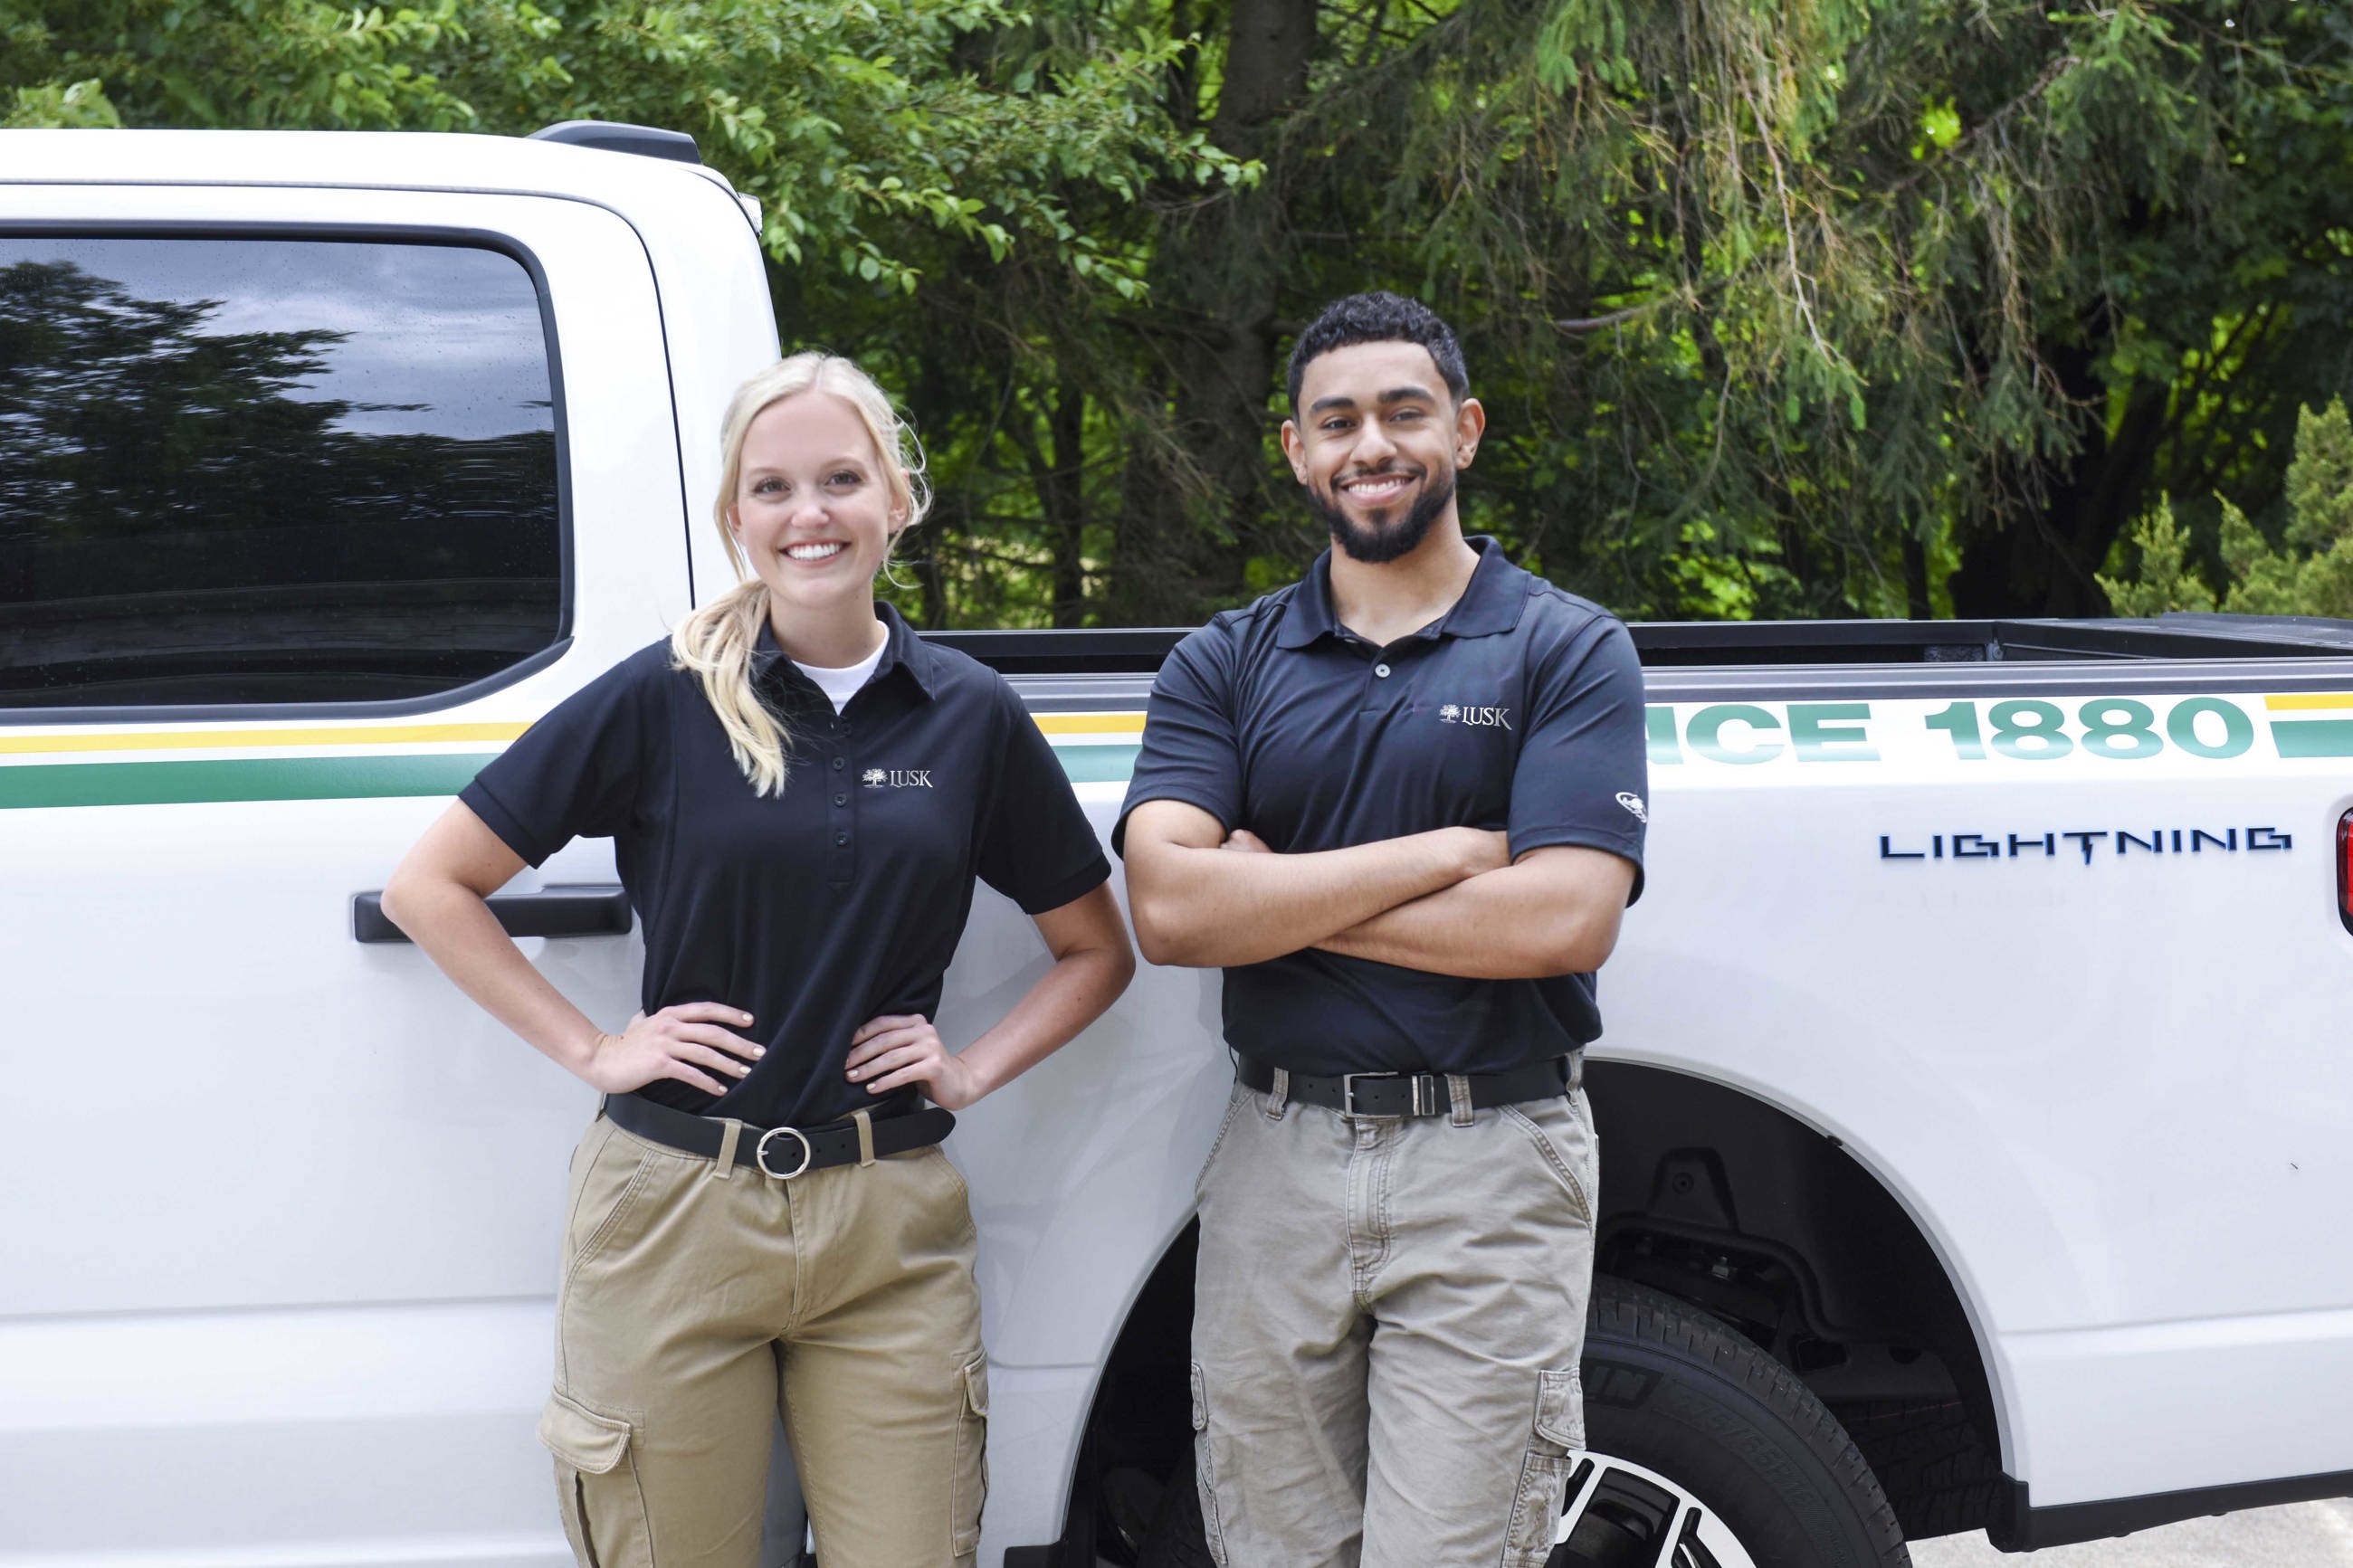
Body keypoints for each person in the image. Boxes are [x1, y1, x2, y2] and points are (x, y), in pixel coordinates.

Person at [382, 352, 1134, 1568]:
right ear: (736, 517)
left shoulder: (970, 713)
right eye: (773, 487)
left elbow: (1095, 948)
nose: (810, 514)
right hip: (673, 1207)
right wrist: (595, 1046)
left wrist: (974, 1064)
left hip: (888, 1218)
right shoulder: (663, 698)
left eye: (842, 478)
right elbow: (434, 886)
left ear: (897, 498)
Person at [1116, 292, 1647, 1567]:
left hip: (1492, 1161)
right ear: (1295, 450)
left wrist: (1277, 897)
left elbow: (1567, 919)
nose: (1373, 444)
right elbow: (1173, 908)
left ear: (1462, 431)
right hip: (1276, 1160)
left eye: (1405, 414)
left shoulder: (1564, 648)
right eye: (1336, 420)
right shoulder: (1224, 661)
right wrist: (1446, 857)